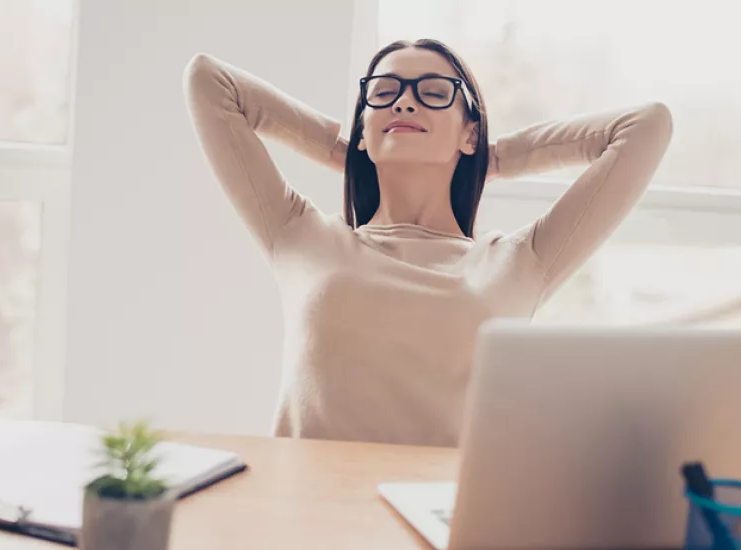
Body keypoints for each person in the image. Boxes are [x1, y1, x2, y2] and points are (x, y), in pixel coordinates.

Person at [183, 38, 673, 447]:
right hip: (307, 519)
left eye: (434, 92)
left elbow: (645, 126)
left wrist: (491, 157)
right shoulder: (300, 235)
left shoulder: (522, 262)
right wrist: (348, 147)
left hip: (442, 523)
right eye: (384, 92)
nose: (403, 101)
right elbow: (210, 81)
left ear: (470, 132)